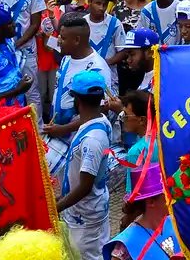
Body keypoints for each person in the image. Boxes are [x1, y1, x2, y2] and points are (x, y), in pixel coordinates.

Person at [55, 71, 113, 260]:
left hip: (86, 216)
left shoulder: (92, 139)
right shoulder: (100, 120)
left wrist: (57, 207)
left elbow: (85, 186)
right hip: (86, 211)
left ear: (77, 100)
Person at [105, 156, 179, 260]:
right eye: (167, 195)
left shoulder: (174, 222)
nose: (172, 199)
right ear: (151, 202)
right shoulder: (126, 244)